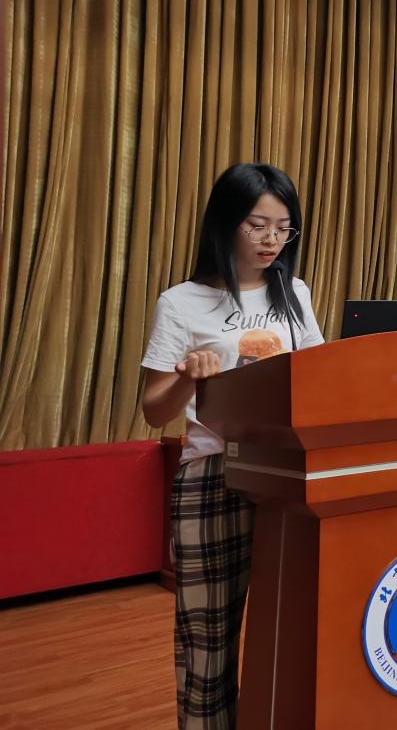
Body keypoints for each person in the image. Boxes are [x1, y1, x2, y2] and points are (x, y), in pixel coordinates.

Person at [141, 163, 325, 729]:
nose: (271, 240)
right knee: (209, 638)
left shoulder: (293, 293)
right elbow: (154, 410)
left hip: (287, 472)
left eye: (283, 228)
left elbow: (320, 375)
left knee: (289, 627)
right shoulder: (181, 302)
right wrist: (188, 379)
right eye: (257, 225)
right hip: (213, 475)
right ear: (225, 223)